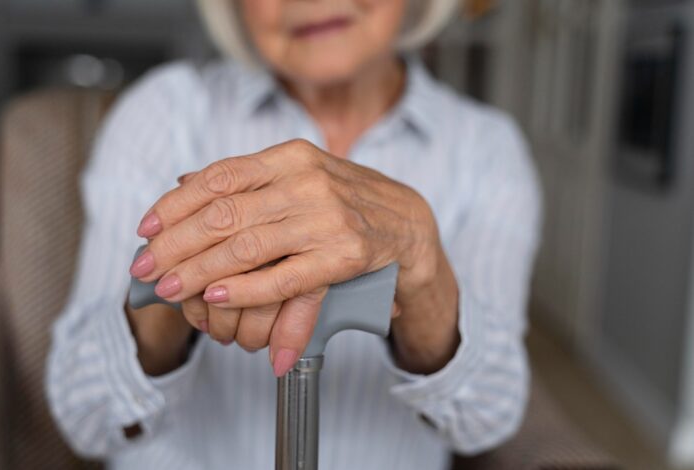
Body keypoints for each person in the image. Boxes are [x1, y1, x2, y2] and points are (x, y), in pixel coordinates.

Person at [46, 0, 542, 468]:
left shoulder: (486, 150)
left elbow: (485, 420)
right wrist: (181, 288)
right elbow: (86, 416)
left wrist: (422, 266)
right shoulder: (165, 111)